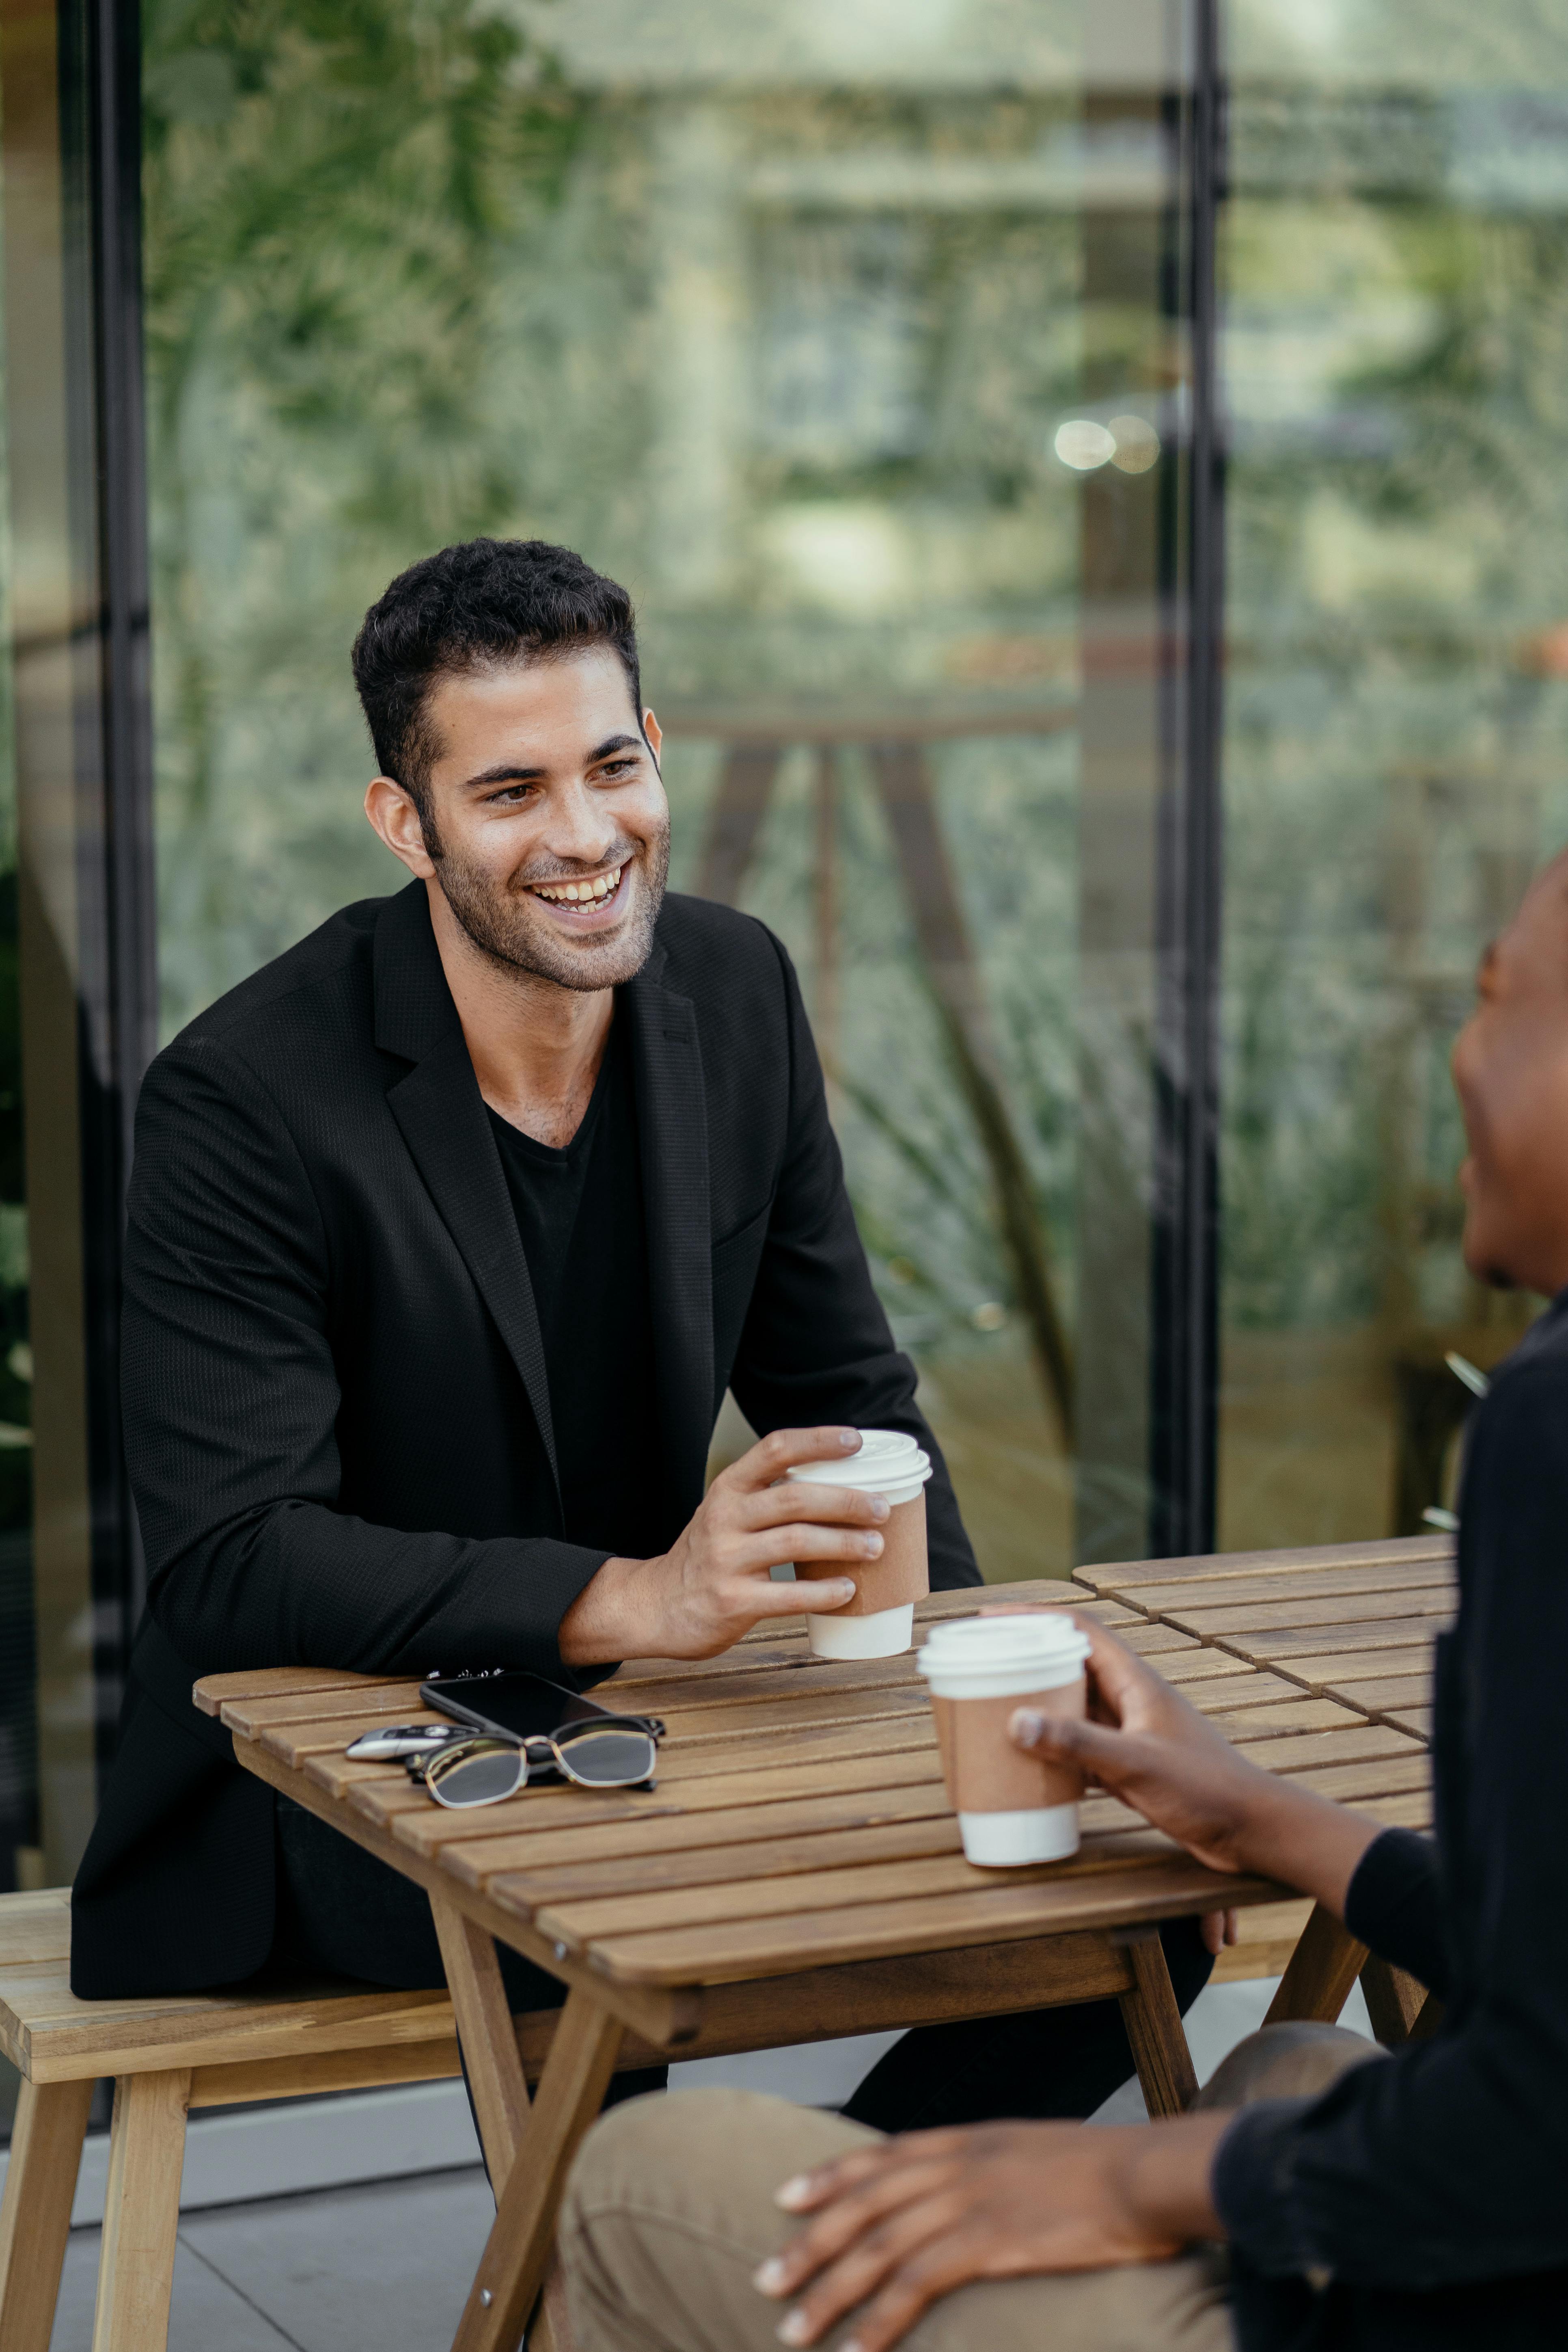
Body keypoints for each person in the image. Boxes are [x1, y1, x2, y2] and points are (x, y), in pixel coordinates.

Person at [71, 536, 1216, 2127]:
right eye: (513, 792)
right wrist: (637, 1596)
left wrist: (968, 1682)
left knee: (1142, 1892)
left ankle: (782, 2267)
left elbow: (850, 1396)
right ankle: (688, 2268)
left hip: (658, 1729)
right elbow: (230, 1559)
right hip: (350, 1774)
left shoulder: (734, 990)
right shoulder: (245, 1102)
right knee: (626, 1932)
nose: (589, 834)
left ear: (657, 749)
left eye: (613, 764)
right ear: (407, 825)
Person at [560, 849, 1568, 2347]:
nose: (1460, 1055)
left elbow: (1534, 2118)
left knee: (636, 2178)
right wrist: (1259, 1816)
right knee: (1288, 2075)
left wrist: (1125, 2185)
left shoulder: (1552, 1434)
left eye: (1500, 1004)